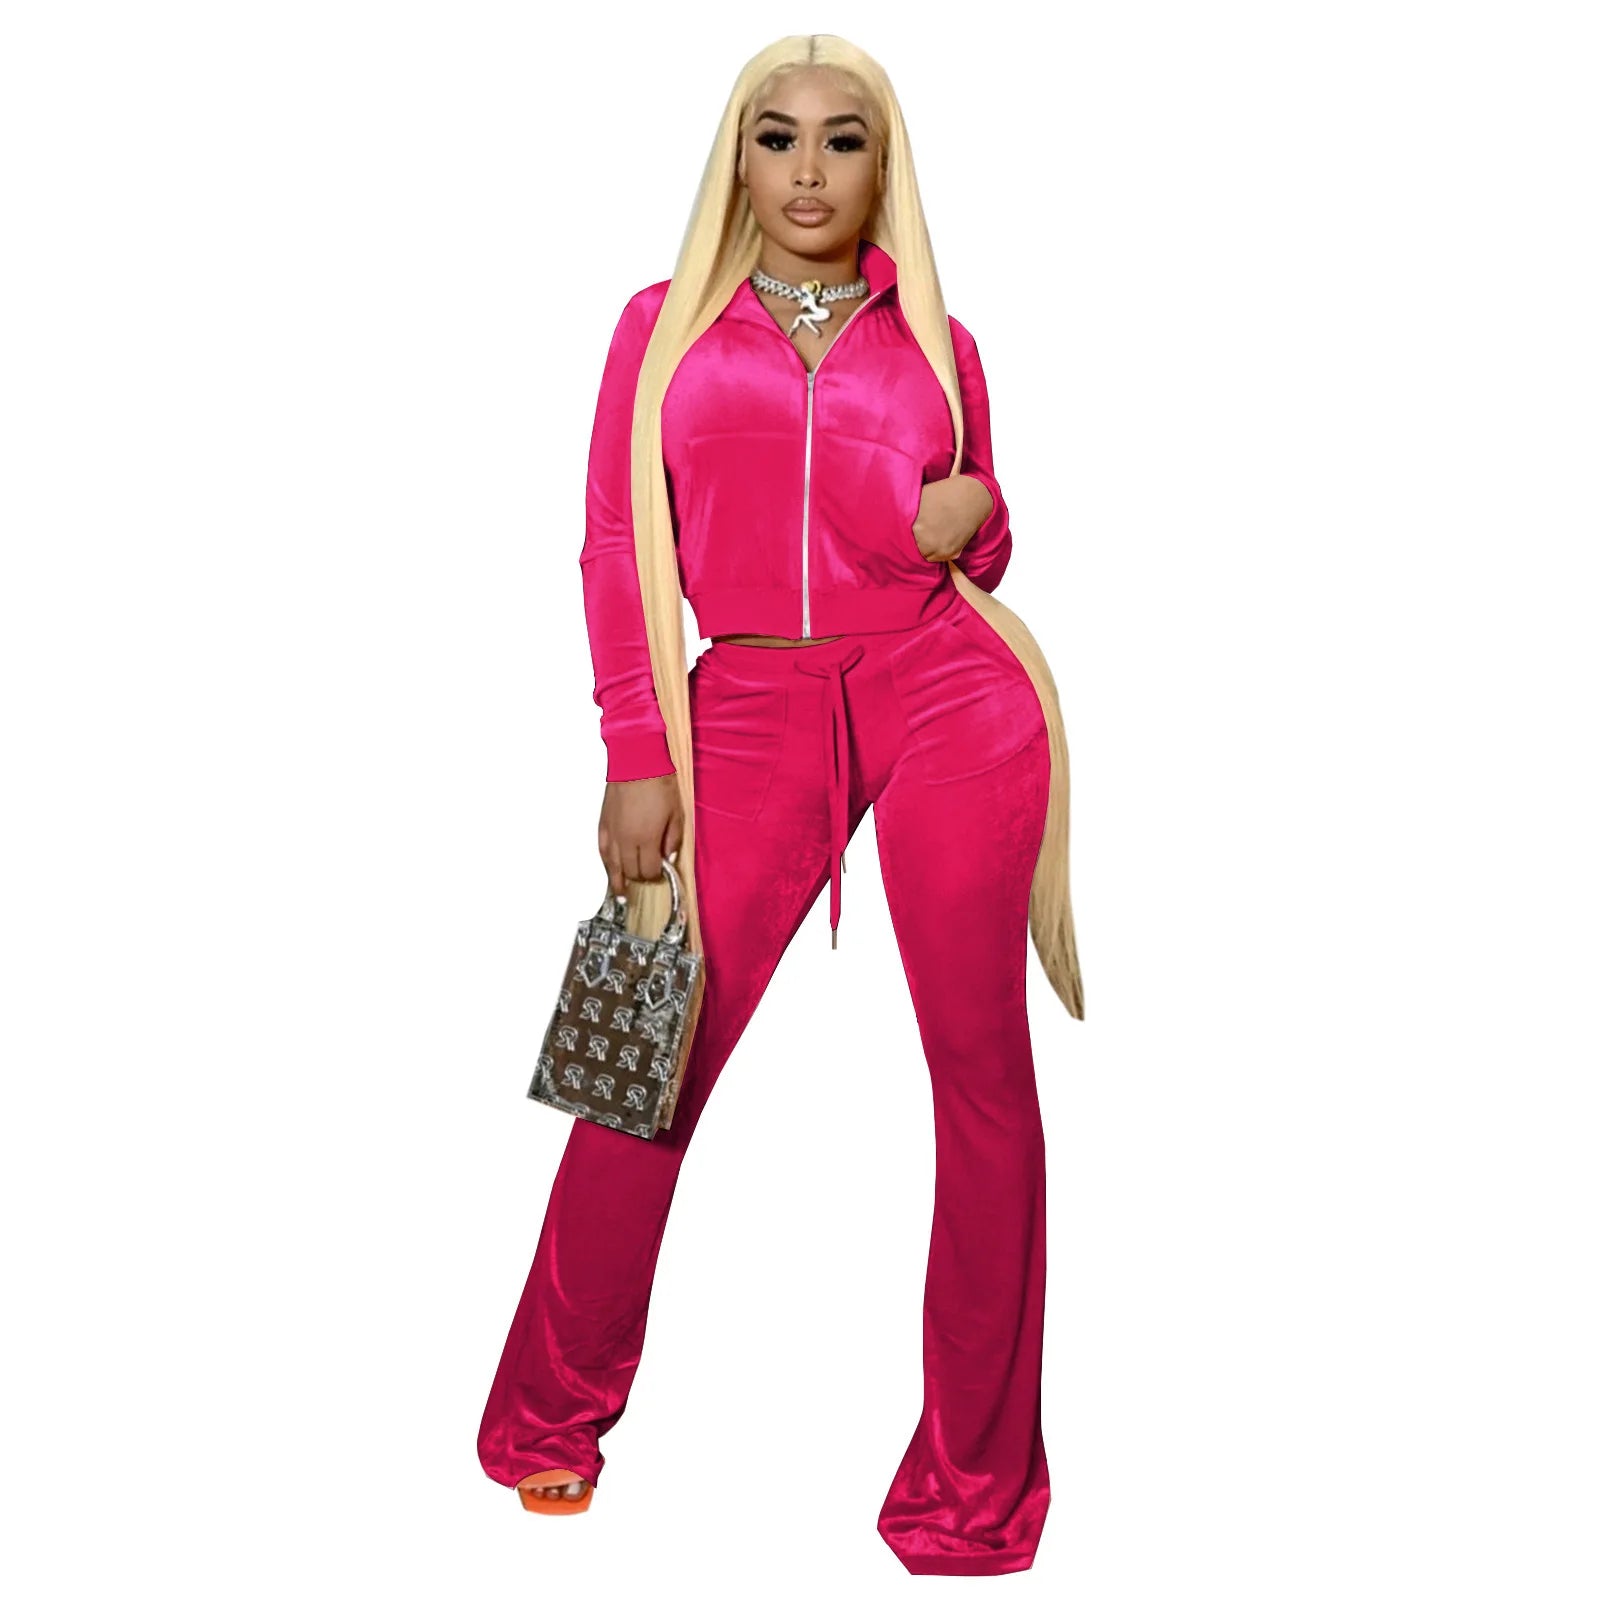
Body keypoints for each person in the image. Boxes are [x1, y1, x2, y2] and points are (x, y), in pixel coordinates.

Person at [478, 34, 1085, 1576]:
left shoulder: (940, 340)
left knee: (983, 1081)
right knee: (641, 1057)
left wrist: (977, 516)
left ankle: (974, 1489)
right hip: (743, 701)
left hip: (947, 692)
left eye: (843, 139)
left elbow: (976, 543)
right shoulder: (660, 329)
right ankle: (548, 1414)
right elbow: (616, 546)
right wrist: (638, 746)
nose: (809, 169)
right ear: (736, 159)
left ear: (886, 165)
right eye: (777, 136)